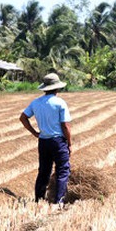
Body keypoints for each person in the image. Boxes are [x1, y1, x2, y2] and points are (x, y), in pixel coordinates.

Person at [19, 73, 72, 205]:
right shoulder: (60, 103)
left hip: (43, 141)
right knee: (62, 170)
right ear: (57, 88)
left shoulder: (36, 103)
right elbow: (65, 126)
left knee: (43, 171)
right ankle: (58, 201)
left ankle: (39, 200)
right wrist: (69, 143)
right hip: (58, 141)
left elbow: (23, 118)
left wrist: (35, 133)